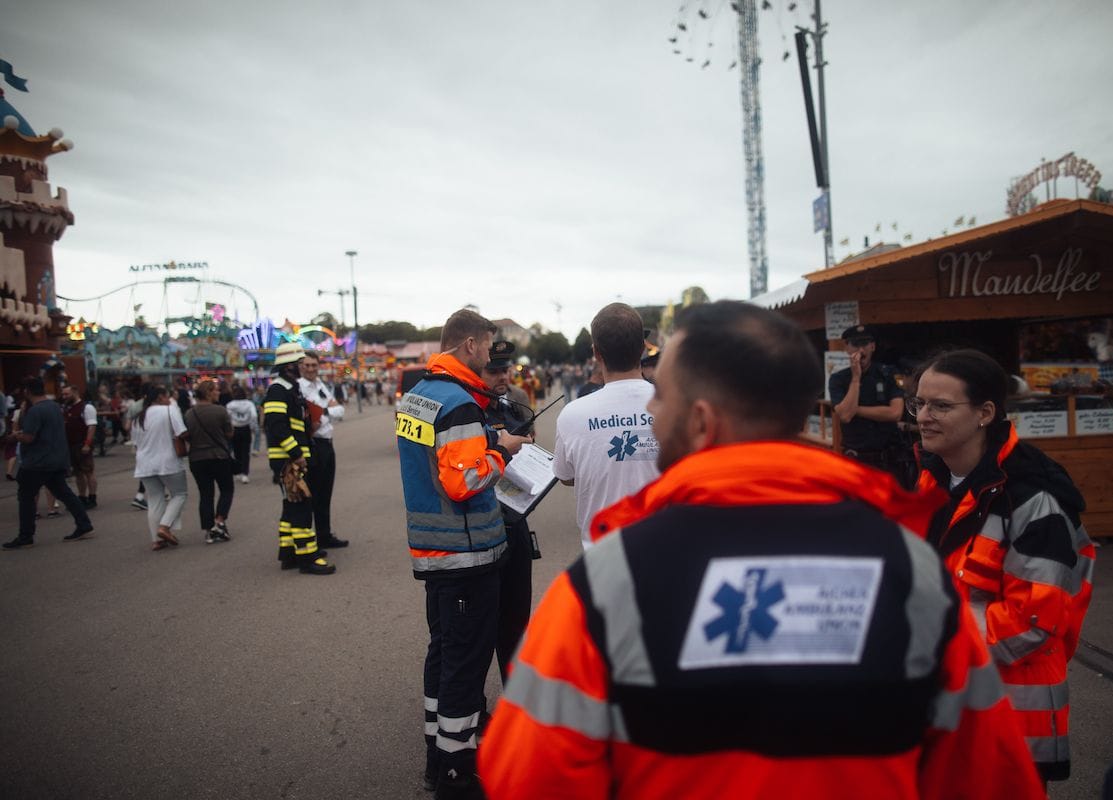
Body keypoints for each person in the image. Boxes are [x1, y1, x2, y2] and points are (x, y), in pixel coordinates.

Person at [479, 301, 1045, 800]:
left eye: (663, 400)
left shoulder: (607, 583)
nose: (651, 412)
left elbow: (527, 778)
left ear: (700, 421)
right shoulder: (914, 570)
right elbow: (988, 777)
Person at [912, 348, 1095, 785]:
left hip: (1011, 718)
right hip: (948, 707)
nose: (923, 417)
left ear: (985, 413)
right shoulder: (931, 480)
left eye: (941, 405)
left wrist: (919, 640)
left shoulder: (1034, 499)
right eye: (919, 403)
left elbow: (1030, 622)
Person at [395, 309, 530, 799]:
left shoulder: (419, 397)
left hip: (435, 553)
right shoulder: (458, 403)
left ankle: (436, 751)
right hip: (467, 555)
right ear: (470, 344)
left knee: (443, 655)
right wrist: (501, 453)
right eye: (487, 347)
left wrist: (489, 438)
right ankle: (456, 773)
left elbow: (442, 453)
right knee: (465, 667)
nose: (490, 357)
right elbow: (464, 478)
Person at [553, 303, 659, 550]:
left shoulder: (572, 414)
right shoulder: (676, 405)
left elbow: (566, 476)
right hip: (665, 549)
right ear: (642, 349)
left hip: (602, 557)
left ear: (596, 353)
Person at [481, 340, 536, 682]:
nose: (503, 376)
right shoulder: (468, 408)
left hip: (516, 519)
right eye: (495, 370)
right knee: (483, 623)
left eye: (506, 369)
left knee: (517, 618)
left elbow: (533, 444)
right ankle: (472, 706)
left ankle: (515, 700)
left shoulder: (516, 401)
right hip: (484, 522)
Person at [265, 342, 335, 575]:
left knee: (291, 506)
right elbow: (276, 426)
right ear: (288, 367)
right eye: (297, 363)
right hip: (288, 460)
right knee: (302, 507)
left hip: (291, 458)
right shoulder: (278, 390)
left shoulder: (288, 388)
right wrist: (296, 454)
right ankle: (307, 557)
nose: (301, 367)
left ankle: (289, 554)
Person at [4, 377, 94, 549]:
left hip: (37, 461)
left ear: (27, 392)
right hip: (56, 458)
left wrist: (16, 436)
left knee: (26, 497)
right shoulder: (54, 407)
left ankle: (25, 536)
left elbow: (29, 437)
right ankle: (83, 524)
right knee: (64, 493)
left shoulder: (35, 411)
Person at [829, 324, 907, 483]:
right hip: (855, 459)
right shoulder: (838, 379)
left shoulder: (888, 373)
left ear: (872, 346)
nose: (860, 350)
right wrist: (856, 378)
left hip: (888, 460)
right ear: (847, 348)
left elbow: (895, 413)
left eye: (864, 344)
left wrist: (854, 409)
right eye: (855, 345)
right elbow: (844, 416)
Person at [298, 353, 349, 550]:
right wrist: (327, 411)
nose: (311, 368)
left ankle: (324, 535)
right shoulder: (300, 387)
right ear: (301, 366)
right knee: (314, 494)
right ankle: (313, 540)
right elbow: (310, 419)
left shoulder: (320, 385)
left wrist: (324, 412)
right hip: (313, 444)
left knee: (326, 492)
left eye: (314, 365)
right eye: (307, 365)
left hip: (327, 443)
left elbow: (339, 411)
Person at [131, 383, 189, 551]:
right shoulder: (170, 410)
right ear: (160, 397)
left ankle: (156, 539)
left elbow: (135, 443)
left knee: (155, 499)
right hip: (168, 460)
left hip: (144, 463)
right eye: (166, 396)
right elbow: (181, 432)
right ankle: (164, 527)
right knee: (179, 494)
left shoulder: (138, 416)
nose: (169, 399)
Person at [184, 379, 235, 544]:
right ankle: (220, 521)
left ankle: (208, 529)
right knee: (226, 489)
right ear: (209, 392)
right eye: (216, 390)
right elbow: (229, 433)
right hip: (219, 456)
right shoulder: (220, 411)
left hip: (197, 459)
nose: (218, 392)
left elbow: (187, 435)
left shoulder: (189, 413)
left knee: (205, 494)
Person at [61, 384, 99, 509]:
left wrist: (87, 444)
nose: (64, 396)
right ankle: (82, 496)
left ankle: (92, 497)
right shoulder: (67, 408)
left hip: (82, 444)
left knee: (88, 471)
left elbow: (91, 426)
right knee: (78, 473)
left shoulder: (86, 407)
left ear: (75, 392)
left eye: (67, 394)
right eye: (63, 394)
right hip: (70, 445)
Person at [225, 384, 257, 483]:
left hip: (235, 429)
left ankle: (238, 471)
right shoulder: (249, 404)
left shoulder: (230, 405)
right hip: (246, 428)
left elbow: (227, 417)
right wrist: (252, 426)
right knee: (245, 452)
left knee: (236, 451)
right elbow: (254, 415)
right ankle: (245, 473)